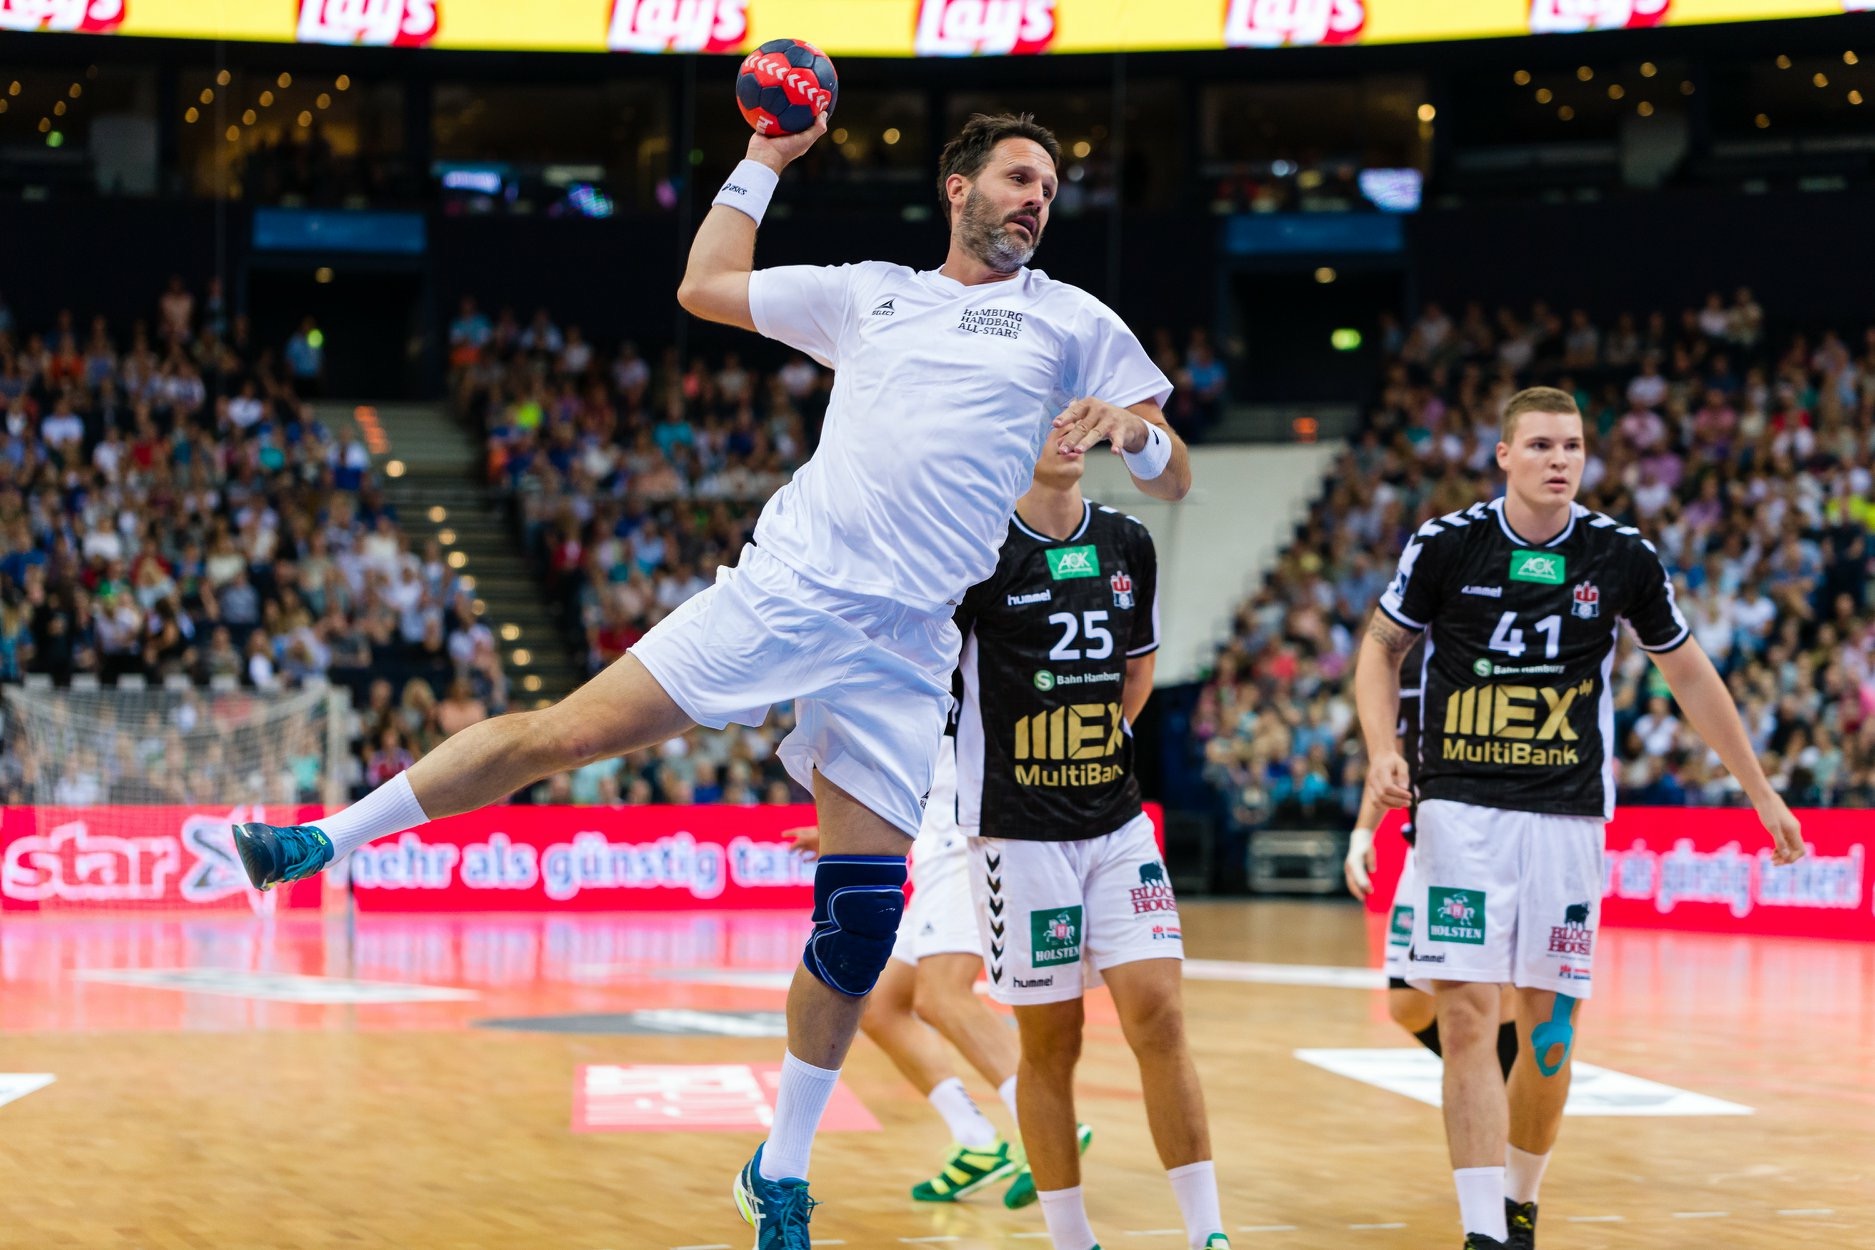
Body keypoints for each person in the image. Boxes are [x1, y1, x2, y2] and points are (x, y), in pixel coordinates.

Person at [228, 109, 1189, 1250]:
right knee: (564, 733)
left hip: (907, 644)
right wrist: (765, 160)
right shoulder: (870, 292)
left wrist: (1132, 431)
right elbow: (705, 284)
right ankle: (322, 841)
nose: (1038, 197)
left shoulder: (1073, 320)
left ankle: (778, 1170)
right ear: (958, 188)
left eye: (1051, 185)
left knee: (859, 919)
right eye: (1019, 177)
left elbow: (1172, 471)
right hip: (787, 591)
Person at [1355, 385, 1804, 1250]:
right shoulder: (1447, 545)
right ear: (1503, 456)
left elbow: (1689, 675)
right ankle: (1483, 1228)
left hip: (1566, 818)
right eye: (1539, 446)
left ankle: (1520, 1201)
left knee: (1550, 1029)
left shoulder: (1619, 556)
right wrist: (1382, 747)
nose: (1558, 460)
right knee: (1462, 1015)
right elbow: (1379, 650)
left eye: (1570, 446)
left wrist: (1757, 787)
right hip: (1460, 811)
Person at [957, 435, 1225, 1250]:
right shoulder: (973, 551)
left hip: (1114, 822)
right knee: (1052, 1043)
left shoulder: (1125, 541)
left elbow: (1136, 670)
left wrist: (1096, 741)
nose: (1064, 438)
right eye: (1043, 422)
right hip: (1016, 834)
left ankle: (1207, 1234)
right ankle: (1071, 1239)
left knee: (1160, 1016)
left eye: (1074, 420)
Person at [788, 734, 1071, 1209]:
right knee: (882, 1007)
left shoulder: (960, 670)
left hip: (969, 844)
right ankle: (976, 1138)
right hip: (936, 847)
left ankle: (1046, 1121)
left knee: (943, 996)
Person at [1344, 638, 1519, 1075]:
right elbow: (1395, 758)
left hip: (1491, 841)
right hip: (1425, 843)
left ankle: (1506, 1112)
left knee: (1495, 997)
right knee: (1407, 1004)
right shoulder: (1407, 654)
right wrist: (1363, 831)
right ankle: (1490, 1086)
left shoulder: (1502, 642)